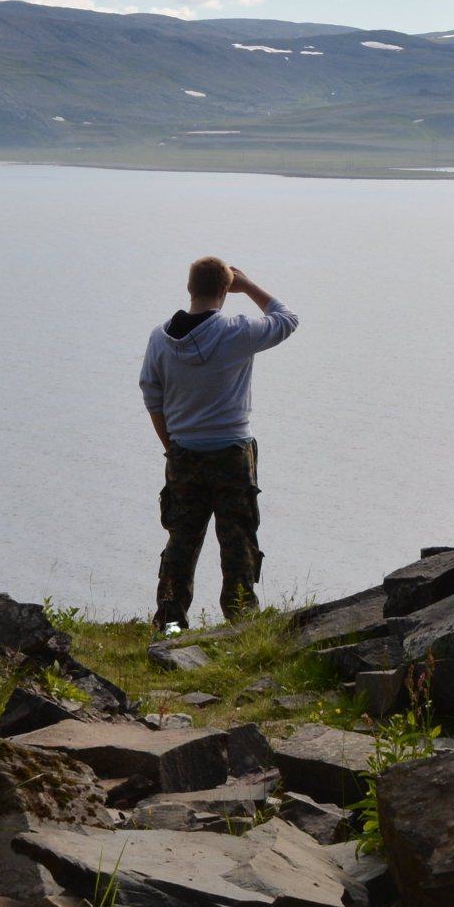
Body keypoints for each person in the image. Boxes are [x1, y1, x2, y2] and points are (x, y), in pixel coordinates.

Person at [137, 256, 299, 635]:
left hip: (183, 453)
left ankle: (171, 627)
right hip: (231, 454)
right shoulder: (237, 331)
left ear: (189, 288)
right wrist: (250, 285)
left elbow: (152, 397)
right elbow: (287, 319)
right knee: (238, 540)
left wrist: (171, 446)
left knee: (181, 542)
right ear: (226, 289)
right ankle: (241, 624)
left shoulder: (160, 339)